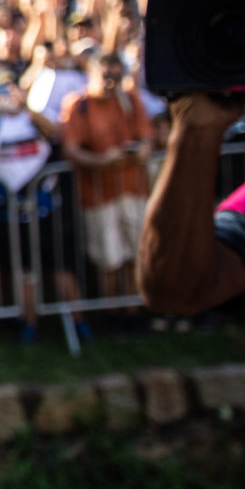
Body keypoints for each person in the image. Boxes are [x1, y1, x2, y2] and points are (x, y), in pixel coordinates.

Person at [0, 75, 83, 343]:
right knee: (24, 270)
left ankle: (78, 322)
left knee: (60, 266)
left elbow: (55, 134)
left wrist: (27, 107)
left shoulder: (35, 115)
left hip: (45, 207)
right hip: (10, 209)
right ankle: (28, 323)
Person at [59, 51, 153, 302]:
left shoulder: (130, 99)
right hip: (98, 195)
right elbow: (70, 150)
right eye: (106, 76)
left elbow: (147, 139)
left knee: (136, 254)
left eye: (116, 76)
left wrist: (142, 152)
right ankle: (112, 313)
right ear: (91, 74)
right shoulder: (78, 105)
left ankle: (134, 310)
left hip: (133, 190)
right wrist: (102, 161)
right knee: (109, 259)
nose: (111, 82)